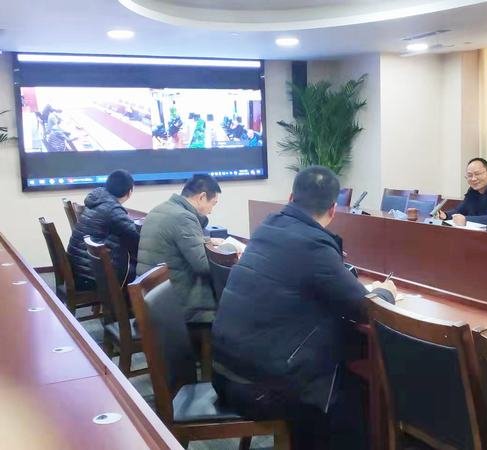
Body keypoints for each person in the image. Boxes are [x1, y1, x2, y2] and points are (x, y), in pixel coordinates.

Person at [211, 166, 397, 450]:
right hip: (259, 391)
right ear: (333, 210)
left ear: (290, 198)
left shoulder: (267, 227)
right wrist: (386, 291)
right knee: (361, 393)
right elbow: (366, 308)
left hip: (224, 373)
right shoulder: (313, 244)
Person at [136, 174, 221, 323]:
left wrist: (206, 241)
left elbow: (176, 241)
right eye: (213, 204)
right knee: (232, 306)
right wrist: (229, 253)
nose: (211, 210)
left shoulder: (161, 209)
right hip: (176, 303)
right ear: (202, 197)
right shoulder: (183, 217)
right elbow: (204, 266)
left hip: (153, 296)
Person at [68, 170, 139, 289]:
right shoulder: (112, 210)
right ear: (130, 191)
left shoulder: (97, 201)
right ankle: (128, 301)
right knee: (147, 272)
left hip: (79, 270)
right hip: (92, 277)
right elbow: (137, 239)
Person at [439, 157, 487, 225]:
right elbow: (460, 210)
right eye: (469, 175)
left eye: (477, 174)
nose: (473, 179)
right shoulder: (472, 190)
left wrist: (467, 220)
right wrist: (445, 215)